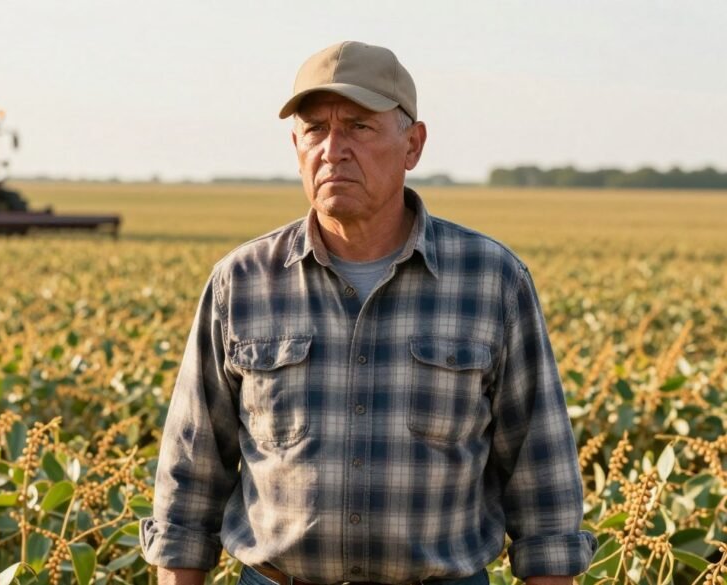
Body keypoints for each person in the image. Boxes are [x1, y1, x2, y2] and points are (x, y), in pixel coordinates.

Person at [140, 41, 596, 585]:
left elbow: (541, 483)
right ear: (296, 145)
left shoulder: (491, 279)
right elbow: (188, 483)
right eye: (315, 129)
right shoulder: (241, 282)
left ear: (413, 144)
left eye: (358, 126)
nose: (333, 149)